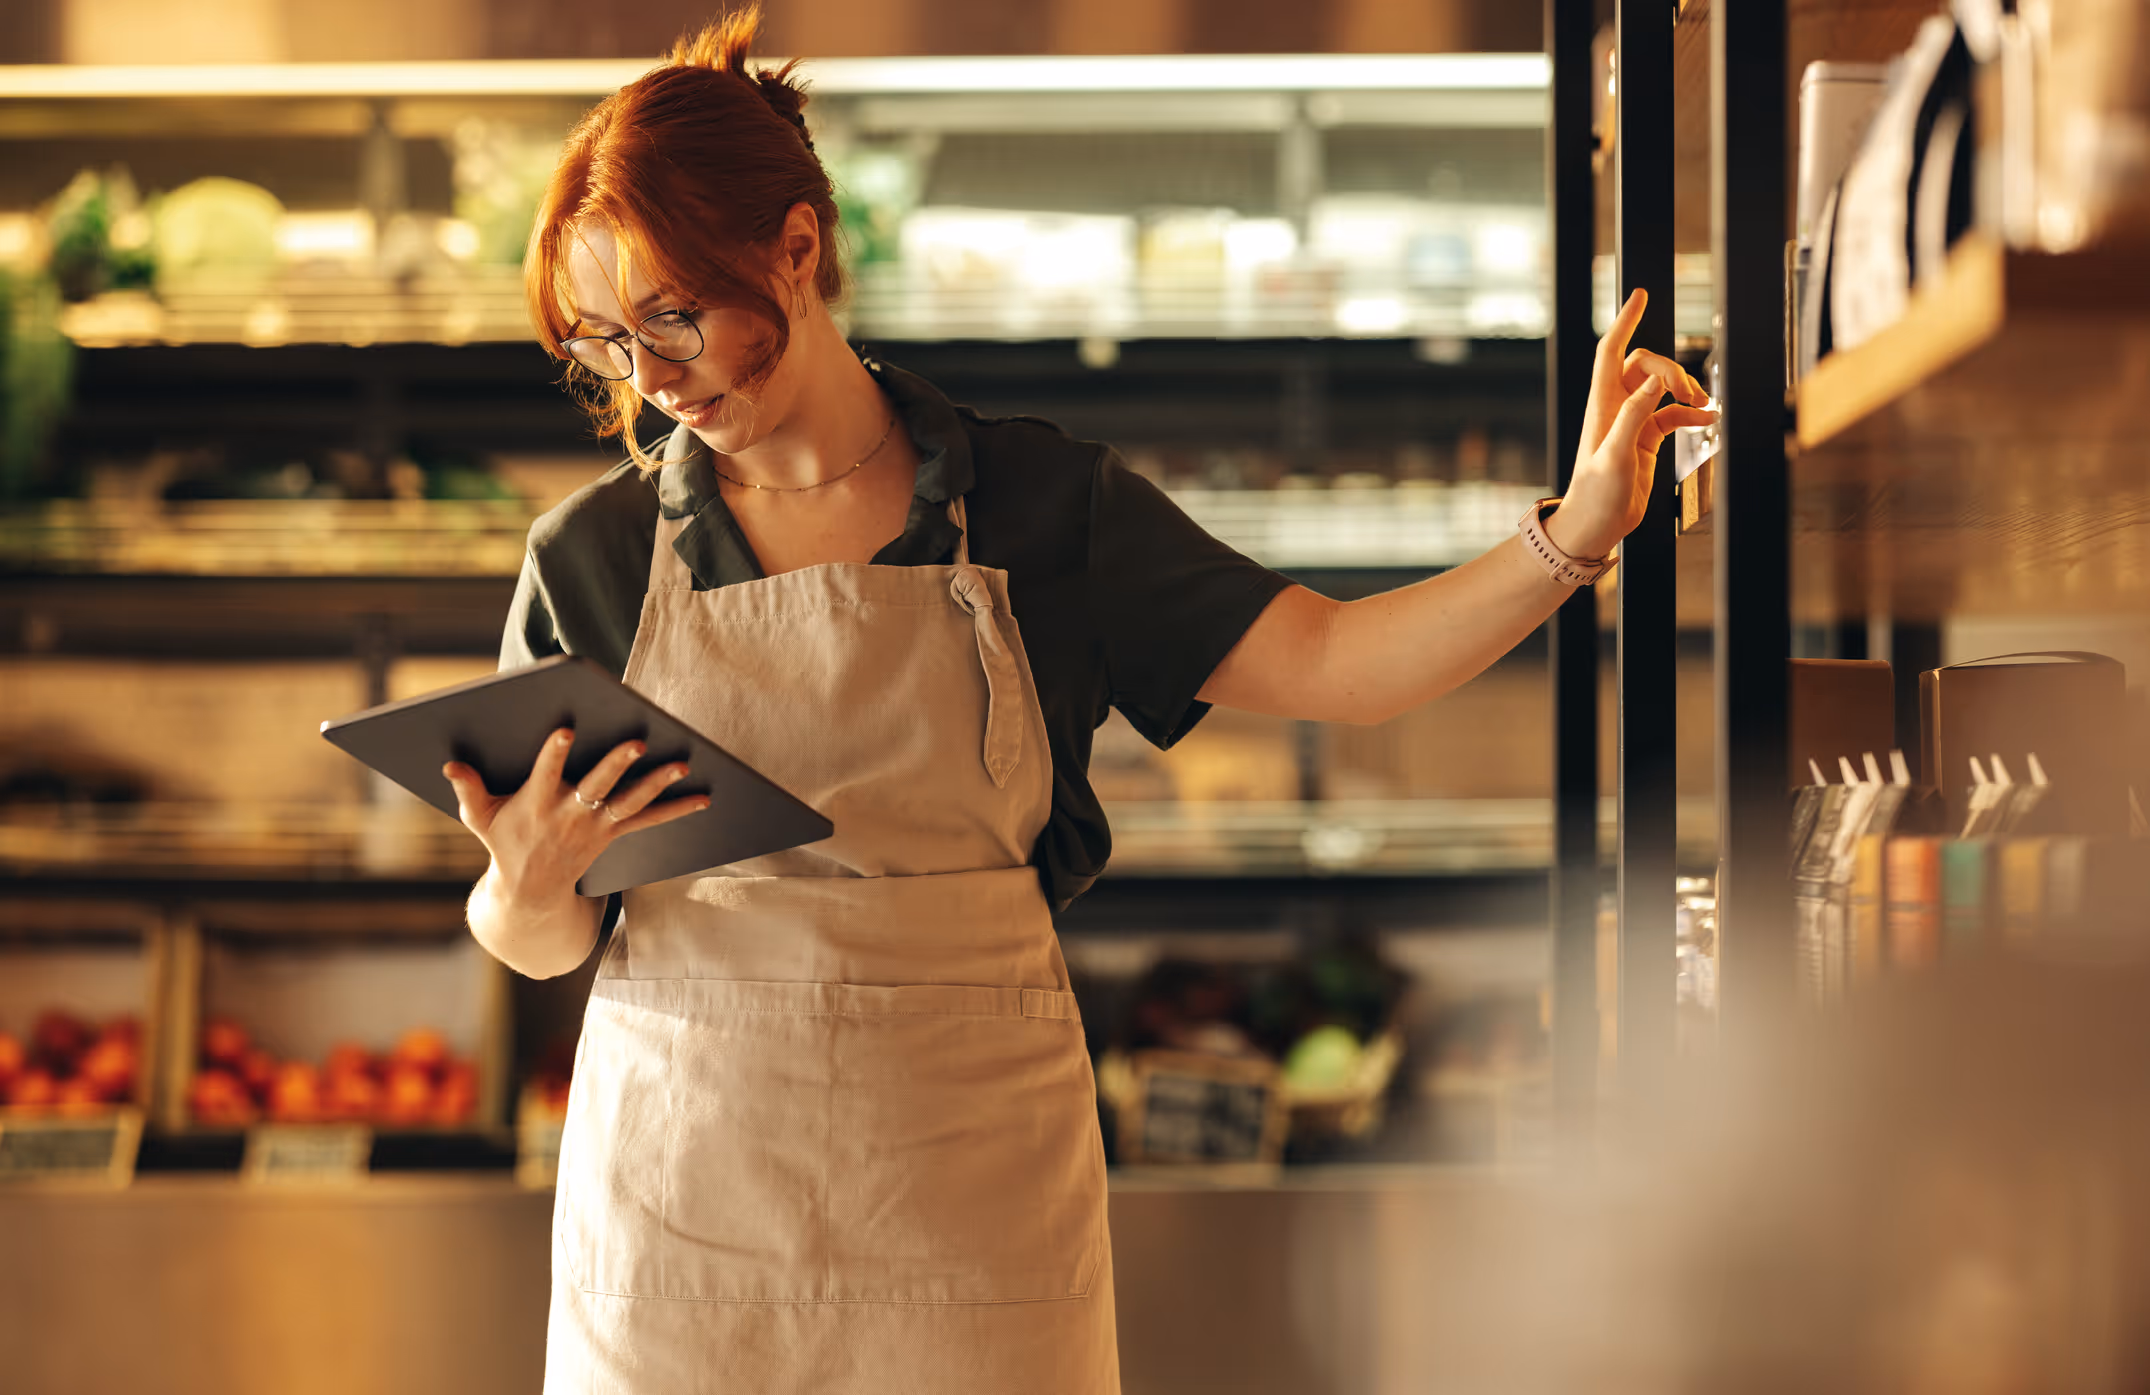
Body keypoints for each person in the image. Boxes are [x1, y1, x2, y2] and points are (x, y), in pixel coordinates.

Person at [442, 10, 1712, 1393]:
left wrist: (1576, 532)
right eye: (603, 345)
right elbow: (532, 937)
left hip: (965, 1194)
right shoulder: (592, 553)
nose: (648, 379)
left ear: (794, 252)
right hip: (687, 1210)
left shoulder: (1048, 509)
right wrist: (526, 883)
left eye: (671, 318)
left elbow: (1340, 665)